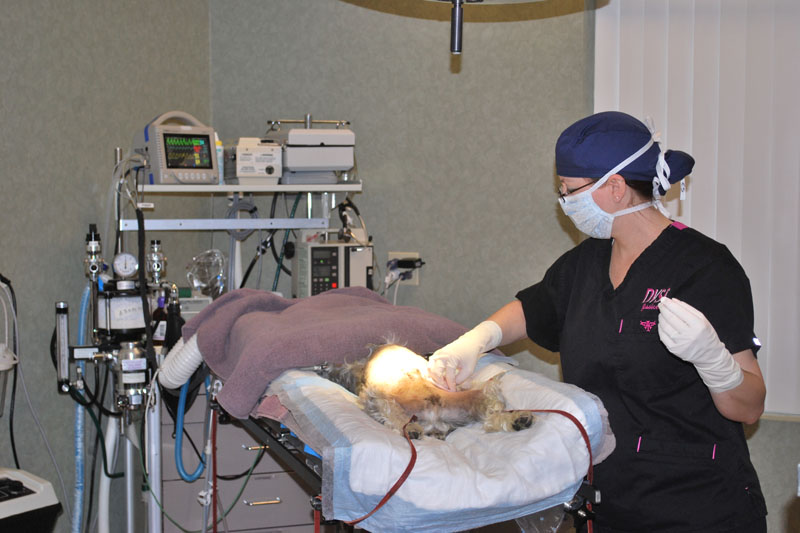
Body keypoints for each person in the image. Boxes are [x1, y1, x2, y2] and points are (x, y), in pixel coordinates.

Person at [428, 111, 768, 532]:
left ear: (616, 187)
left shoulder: (706, 268)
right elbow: (533, 309)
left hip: (696, 505)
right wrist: (476, 340)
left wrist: (713, 360)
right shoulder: (587, 262)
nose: (564, 201)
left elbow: (749, 407)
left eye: (571, 190)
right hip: (611, 501)